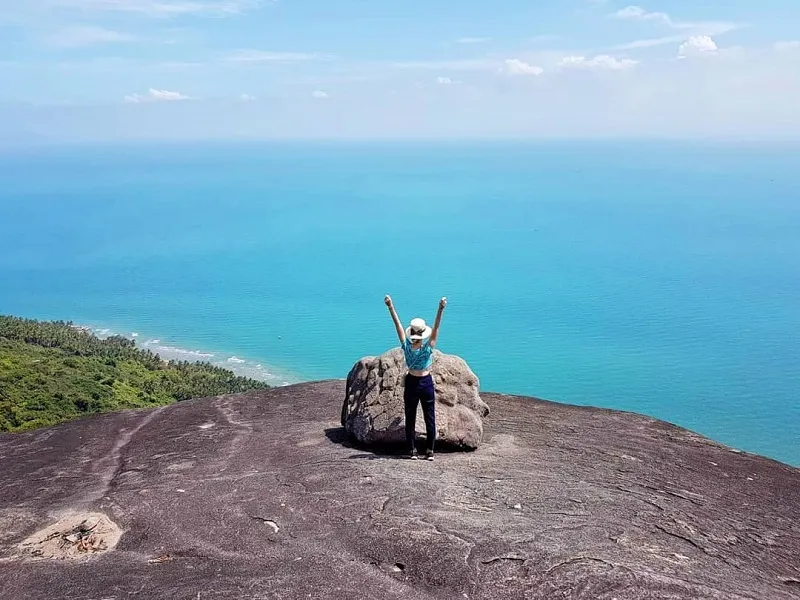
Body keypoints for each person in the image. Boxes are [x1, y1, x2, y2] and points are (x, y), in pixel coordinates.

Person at [384, 295, 447, 461]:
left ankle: (412, 451)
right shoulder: (428, 349)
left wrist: (390, 306)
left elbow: (397, 325)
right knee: (430, 418)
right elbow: (436, 328)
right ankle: (430, 451)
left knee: (410, 417)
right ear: (423, 334)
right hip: (426, 383)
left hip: (411, 382)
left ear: (411, 333)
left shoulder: (406, 347)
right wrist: (440, 309)